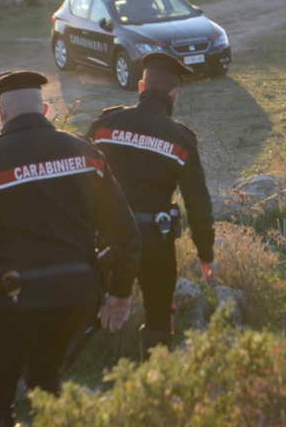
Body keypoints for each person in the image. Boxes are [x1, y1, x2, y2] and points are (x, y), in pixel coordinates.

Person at [0, 71, 141, 427]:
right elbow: (126, 232)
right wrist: (120, 292)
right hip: (76, 297)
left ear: (0, 114)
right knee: (45, 378)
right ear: (46, 109)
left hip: (12, 302)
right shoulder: (87, 153)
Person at [86, 52, 217, 360]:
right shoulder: (181, 140)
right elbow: (198, 201)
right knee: (159, 312)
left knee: (93, 305)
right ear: (175, 94)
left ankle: (79, 377)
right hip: (154, 242)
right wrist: (206, 252)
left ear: (141, 86)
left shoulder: (105, 124)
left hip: (108, 238)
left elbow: (78, 178)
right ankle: (154, 385)